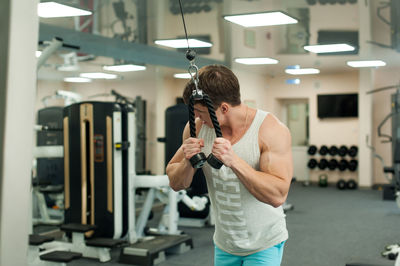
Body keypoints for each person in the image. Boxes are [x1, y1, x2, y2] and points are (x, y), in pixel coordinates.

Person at [166, 64, 293, 266]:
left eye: (200, 112)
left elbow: (278, 195)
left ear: (223, 108)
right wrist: (188, 163)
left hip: (263, 243)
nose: (196, 117)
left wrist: (234, 161)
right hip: (225, 243)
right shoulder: (196, 127)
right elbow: (175, 182)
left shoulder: (270, 130)